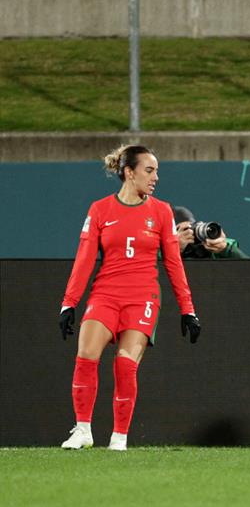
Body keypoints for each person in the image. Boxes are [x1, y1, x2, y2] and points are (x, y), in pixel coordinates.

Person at [58, 145, 201, 451]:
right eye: (149, 171)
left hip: (143, 297)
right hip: (106, 292)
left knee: (125, 364)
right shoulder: (99, 210)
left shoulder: (162, 211)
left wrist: (187, 309)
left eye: (157, 171)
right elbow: (84, 260)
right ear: (129, 172)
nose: (156, 178)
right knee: (86, 356)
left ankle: (119, 437)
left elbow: (173, 263)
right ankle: (83, 430)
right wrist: (69, 302)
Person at [173, 205, 249, 259]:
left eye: (192, 227)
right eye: (184, 230)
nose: (189, 233)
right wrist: (173, 249)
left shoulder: (211, 247)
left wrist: (226, 249)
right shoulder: (162, 251)